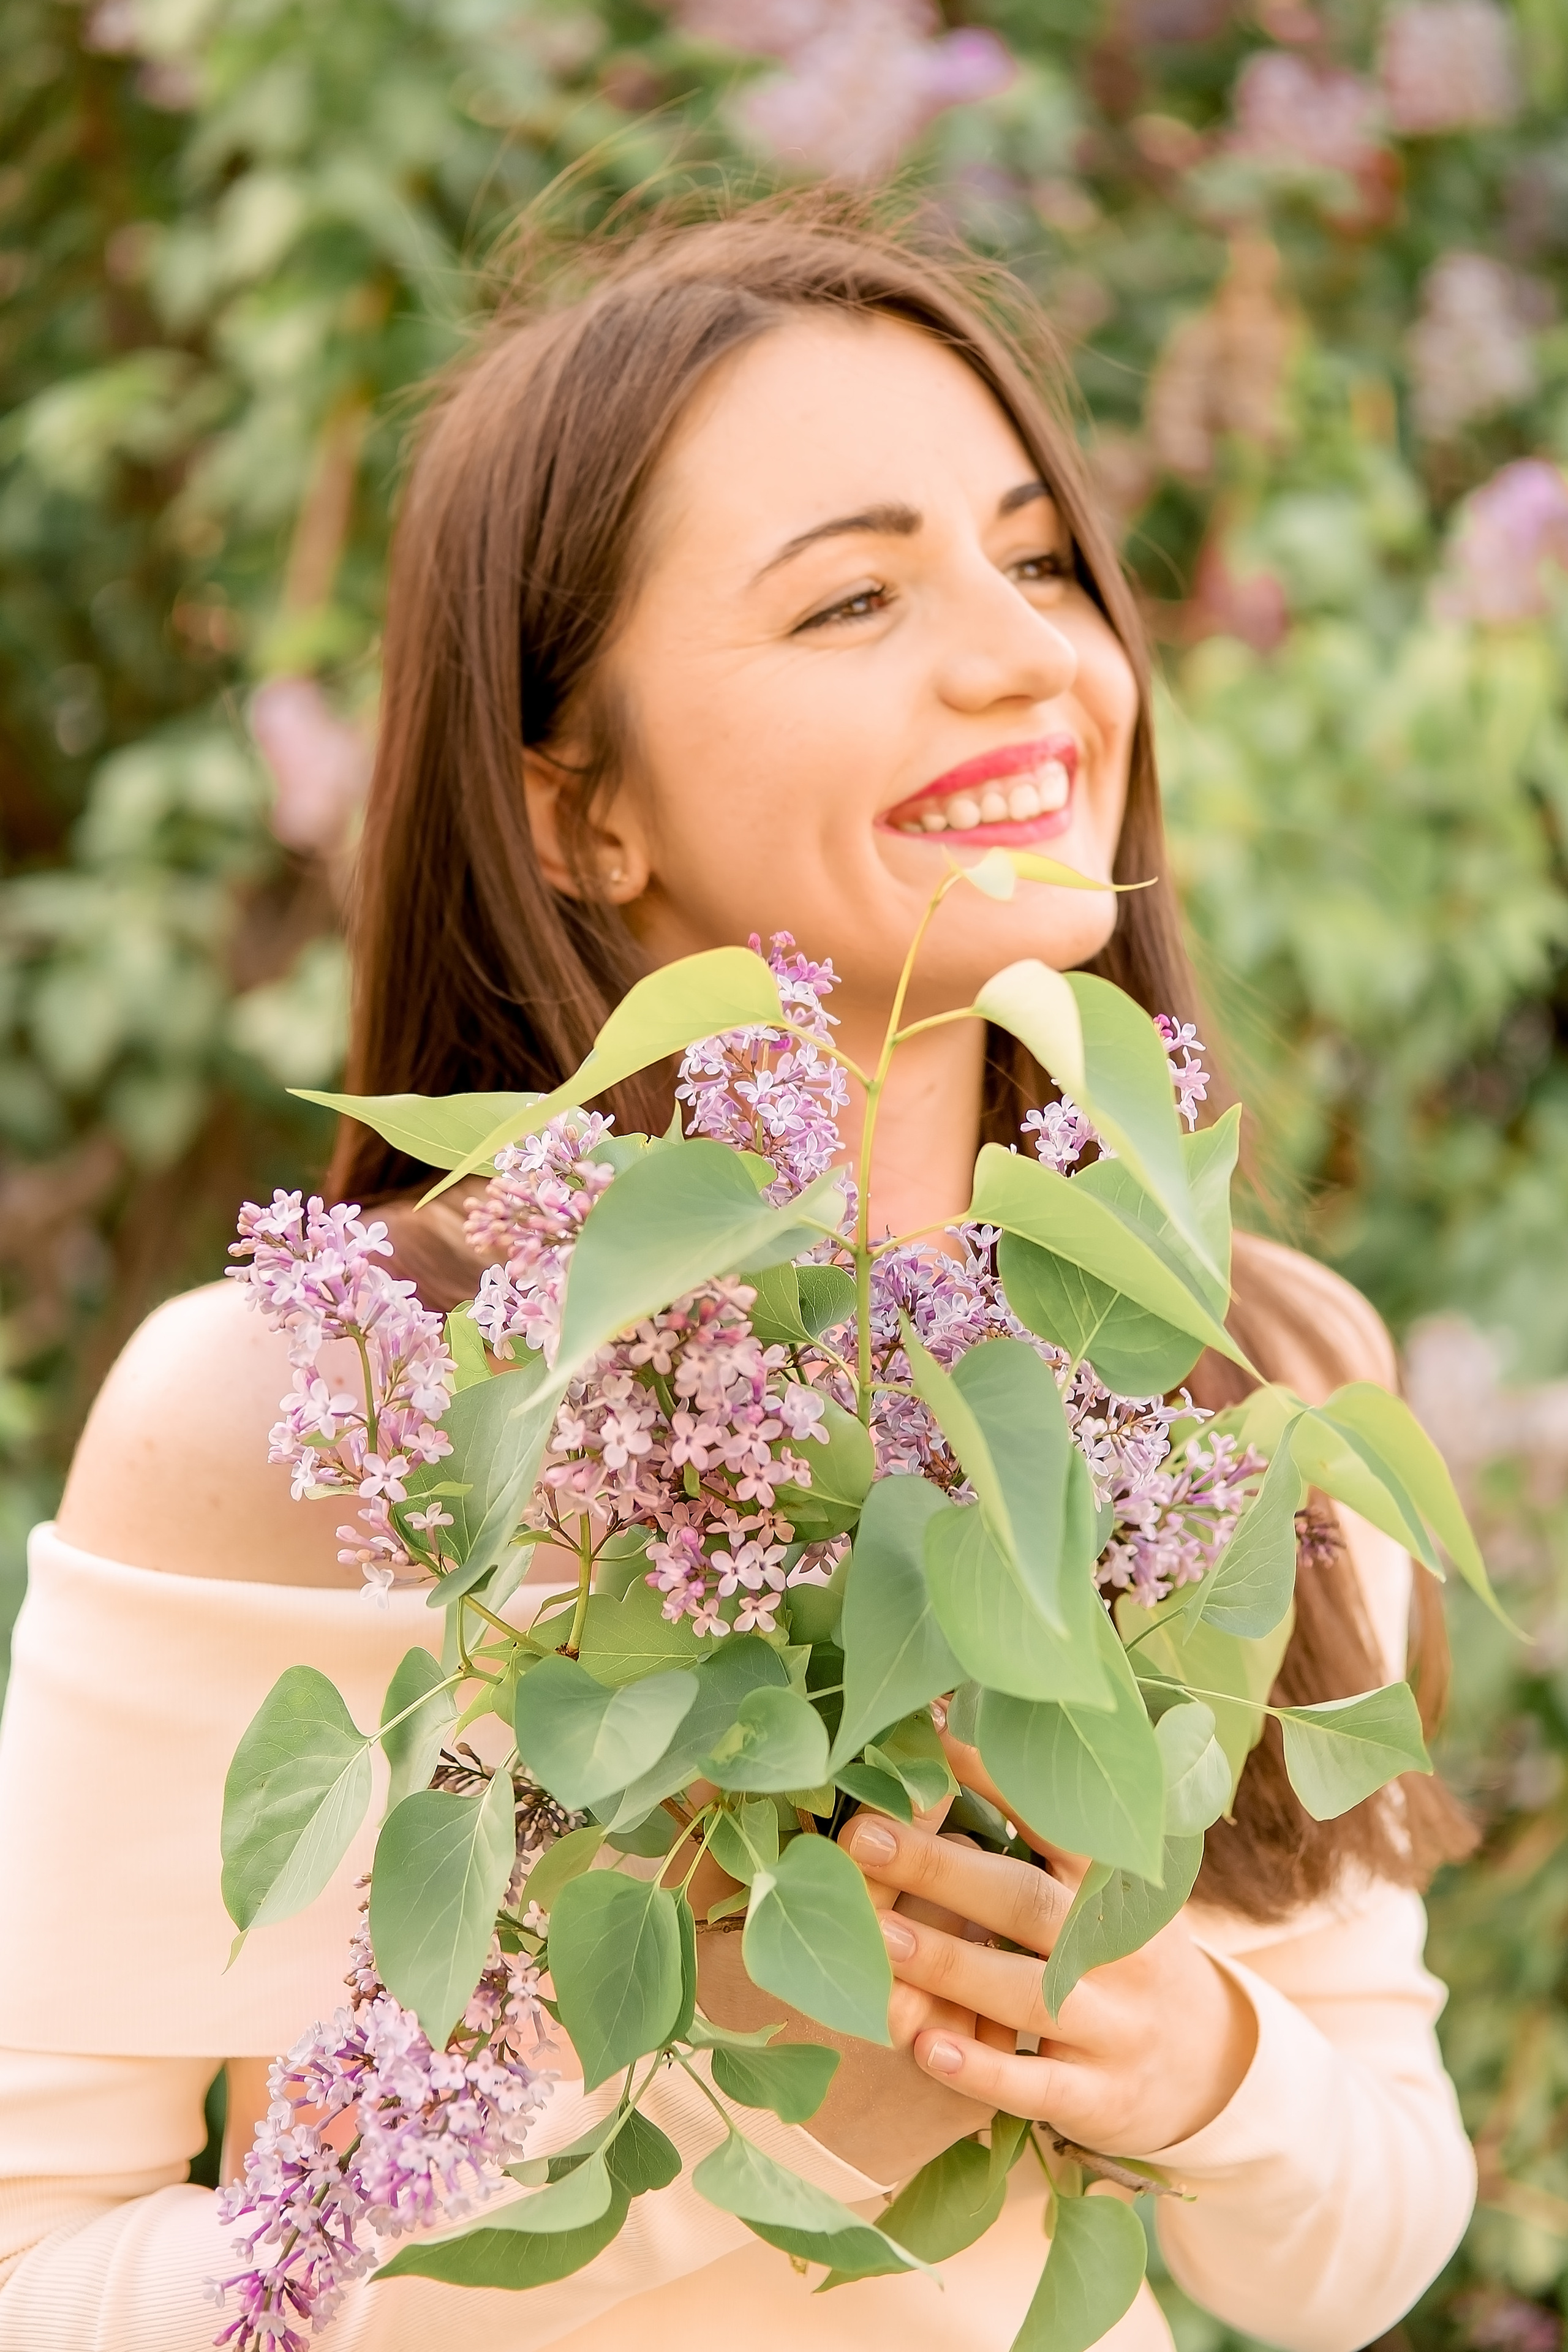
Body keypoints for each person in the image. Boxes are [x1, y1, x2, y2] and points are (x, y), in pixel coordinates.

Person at [0, 198, 1479, 2352]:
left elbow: (1368, 2239)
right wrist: (666, 2132)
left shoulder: (1248, 1371)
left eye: (1041, 557)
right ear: (583, 808)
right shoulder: (318, 1404)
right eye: (857, 597)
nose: (1025, 655)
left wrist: (1206, 2077)